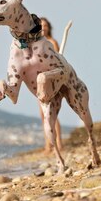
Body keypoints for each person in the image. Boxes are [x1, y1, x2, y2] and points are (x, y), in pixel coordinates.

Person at [39, 17, 63, 154]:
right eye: (41, 25)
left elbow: (57, 60)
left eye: (46, 25)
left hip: (52, 79)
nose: (44, 28)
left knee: (52, 114)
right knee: (43, 114)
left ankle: (58, 143)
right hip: (40, 81)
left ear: (49, 27)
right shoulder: (36, 42)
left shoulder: (53, 42)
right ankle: (48, 144)